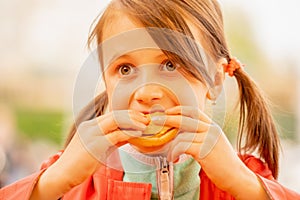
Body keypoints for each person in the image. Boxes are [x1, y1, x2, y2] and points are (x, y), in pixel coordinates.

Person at [1, 0, 300, 199]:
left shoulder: (246, 180)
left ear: (217, 80)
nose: (146, 92)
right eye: (125, 69)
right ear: (106, 81)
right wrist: (52, 184)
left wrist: (244, 185)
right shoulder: (68, 177)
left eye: (171, 65)